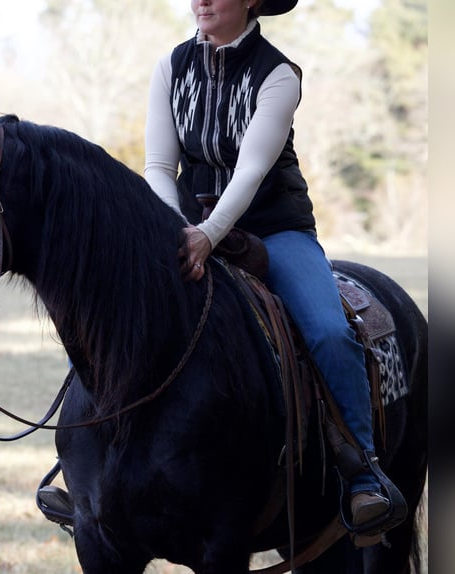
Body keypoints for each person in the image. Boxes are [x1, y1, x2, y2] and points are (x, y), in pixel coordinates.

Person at [39, 0, 403, 543]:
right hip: (181, 225)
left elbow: (254, 168)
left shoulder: (278, 74)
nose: (202, 1)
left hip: (273, 231)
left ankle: (362, 470)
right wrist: (171, 230)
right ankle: (84, 465)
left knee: (327, 330)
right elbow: (160, 166)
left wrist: (208, 236)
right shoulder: (172, 66)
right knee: (106, 320)